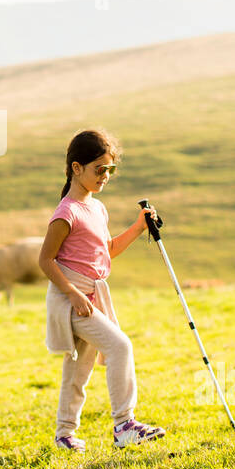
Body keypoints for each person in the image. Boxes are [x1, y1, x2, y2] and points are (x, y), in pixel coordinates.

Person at [38, 128, 166, 451]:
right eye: (99, 170)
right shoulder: (66, 213)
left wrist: (139, 227)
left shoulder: (97, 208)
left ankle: (64, 434)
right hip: (72, 300)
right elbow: (45, 260)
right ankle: (125, 425)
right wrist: (73, 294)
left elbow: (106, 250)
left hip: (91, 296)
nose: (104, 176)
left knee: (78, 367)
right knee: (120, 346)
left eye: (109, 170)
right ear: (76, 168)